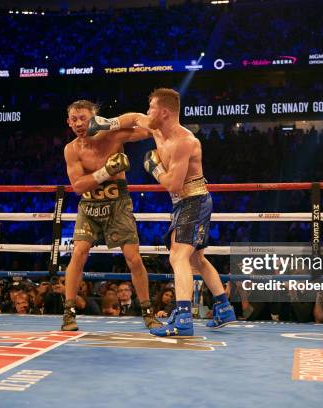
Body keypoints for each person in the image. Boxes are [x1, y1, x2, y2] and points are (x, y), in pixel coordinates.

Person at [89, 88, 236, 336]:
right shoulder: (157, 128)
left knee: (178, 258)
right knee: (196, 259)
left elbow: (174, 184)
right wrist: (109, 124)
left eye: (152, 108)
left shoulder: (184, 141)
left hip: (194, 200)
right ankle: (223, 307)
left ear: (164, 112)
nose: (148, 112)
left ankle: (184, 318)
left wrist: (154, 167)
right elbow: (135, 117)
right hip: (183, 203)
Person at [60, 100, 161, 331]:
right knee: (79, 252)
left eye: (83, 118)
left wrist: (112, 123)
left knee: (133, 258)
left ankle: (147, 312)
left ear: (94, 119)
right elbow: (77, 186)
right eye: (73, 119)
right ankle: (68, 313)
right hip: (90, 205)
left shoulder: (112, 136)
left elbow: (145, 127)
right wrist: (107, 171)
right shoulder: (71, 149)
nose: (78, 123)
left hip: (118, 204)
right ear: (68, 122)